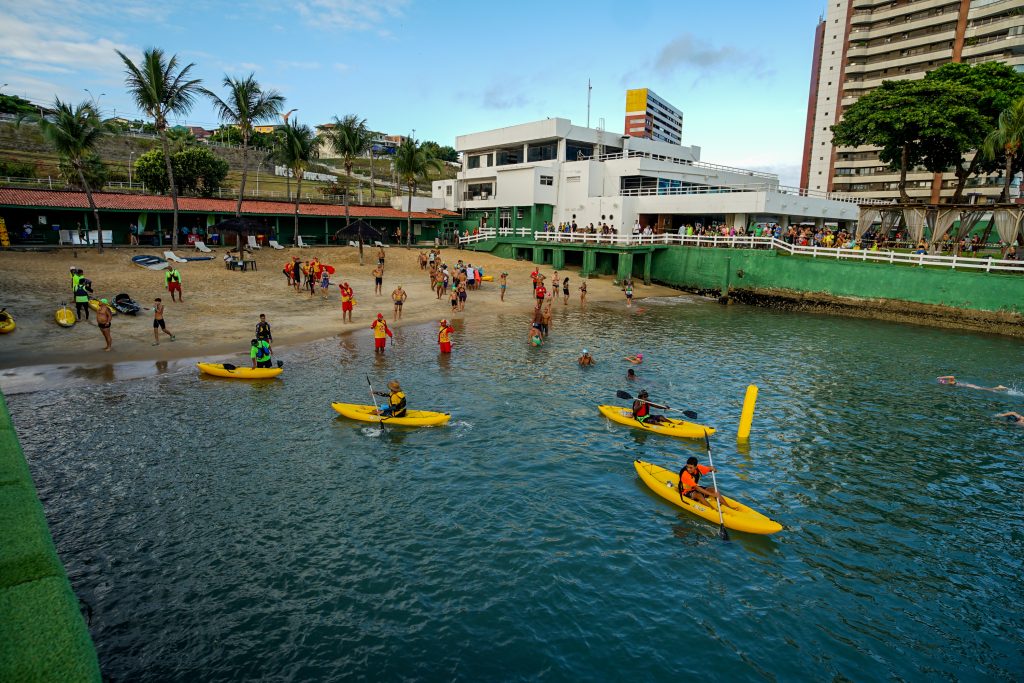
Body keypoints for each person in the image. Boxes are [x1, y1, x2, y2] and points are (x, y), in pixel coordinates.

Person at [937, 376, 1008, 392]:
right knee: (985, 389)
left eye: (941, 382)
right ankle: (999, 387)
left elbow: (952, 376)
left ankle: (999, 387)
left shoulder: (950, 382)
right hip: (969, 386)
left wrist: (941, 377)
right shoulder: (949, 383)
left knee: (986, 389)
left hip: (969, 386)